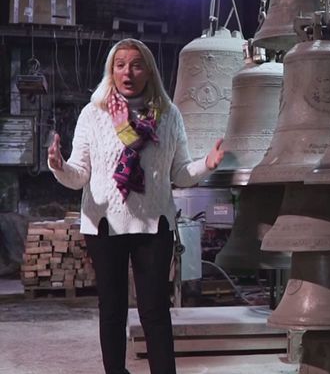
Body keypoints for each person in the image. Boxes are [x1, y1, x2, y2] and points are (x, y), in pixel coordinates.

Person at [47, 38, 224, 374]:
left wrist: (207, 164)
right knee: (111, 308)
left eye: (136, 65)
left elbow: (180, 174)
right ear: (111, 71)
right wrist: (59, 165)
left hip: (154, 226)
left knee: (155, 310)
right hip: (104, 225)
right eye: (120, 65)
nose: (128, 72)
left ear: (149, 71)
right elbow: (79, 174)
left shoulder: (169, 115)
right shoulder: (93, 114)